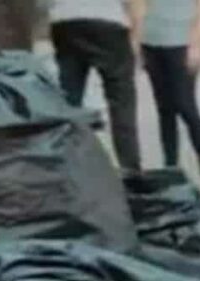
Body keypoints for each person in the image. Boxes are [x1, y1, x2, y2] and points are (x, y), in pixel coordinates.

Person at [50, 0, 145, 174]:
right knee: (121, 100)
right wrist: (136, 40)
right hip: (108, 22)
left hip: (66, 20)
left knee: (69, 99)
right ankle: (131, 171)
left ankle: (65, 168)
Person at [141, 0, 200, 196]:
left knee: (186, 107)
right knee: (165, 110)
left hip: (181, 42)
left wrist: (198, 44)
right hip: (151, 40)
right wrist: (137, 37)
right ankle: (171, 168)